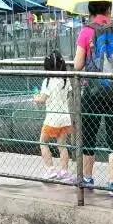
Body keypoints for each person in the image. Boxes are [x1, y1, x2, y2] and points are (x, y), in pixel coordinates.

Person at [73, 0, 113, 195]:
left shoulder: (86, 31)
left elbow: (77, 65)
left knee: (89, 135)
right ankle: (112, 183)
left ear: (90, 11)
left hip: (92, 90)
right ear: (109, 9)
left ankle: (88, 179)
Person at [33, 51, 74, 182]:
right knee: (62, 146)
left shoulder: (48, 81)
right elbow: (68, 96)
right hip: (64, 118)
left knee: (43, 142)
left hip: (52, 119)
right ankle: (64, 171)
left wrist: (35, 98)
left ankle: (50, 169)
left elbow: (43, 99)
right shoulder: (65, 80)